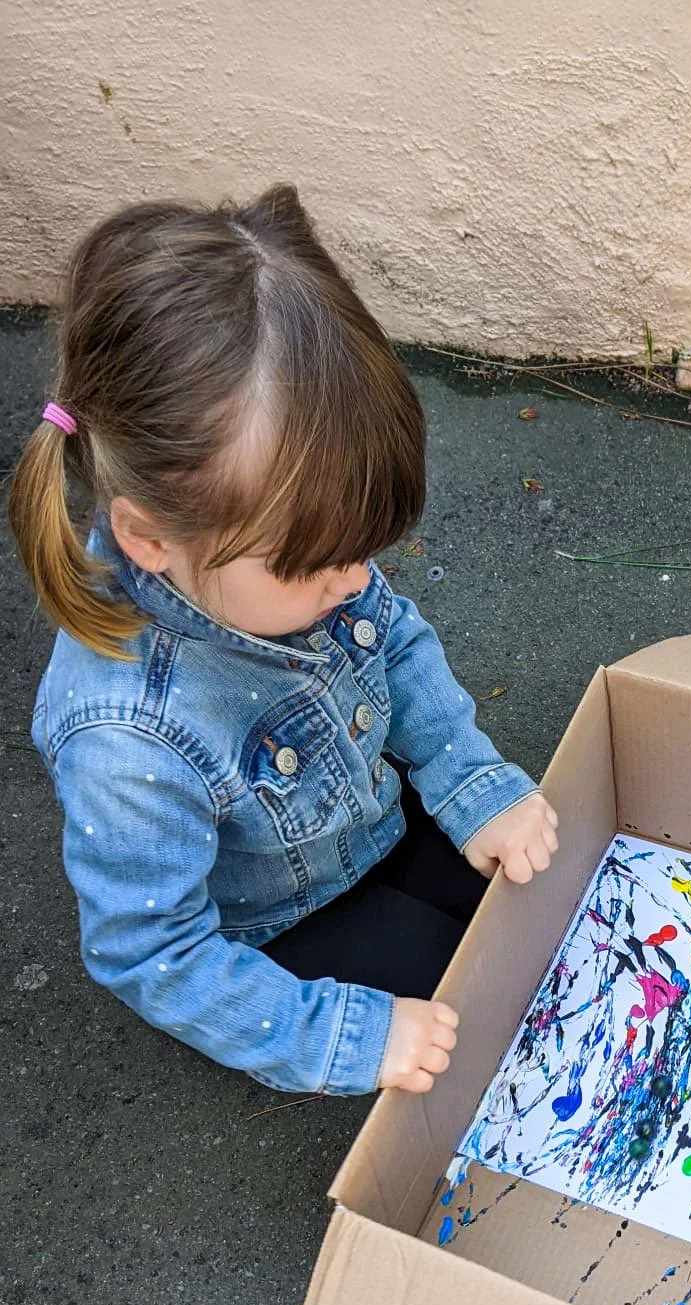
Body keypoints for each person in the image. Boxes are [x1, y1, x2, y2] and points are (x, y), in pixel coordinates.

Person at [9, 185, 558, 1097]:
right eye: (319, 565)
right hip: (275, 924)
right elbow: (154, 953)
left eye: (363, 553)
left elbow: (397, 644)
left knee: (546, 908)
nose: (355, 581)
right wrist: (345, 1038)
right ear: (153, 539)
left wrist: (468, 779)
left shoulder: (292, 554)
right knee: (485, 1032)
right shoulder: (125, 741)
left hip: (369, 819)